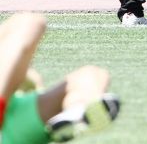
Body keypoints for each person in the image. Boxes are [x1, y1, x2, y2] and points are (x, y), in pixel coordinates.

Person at [0, 12, 120, 143]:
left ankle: (76, 112)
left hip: (16, 117)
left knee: (92, 74)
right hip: (16, 121)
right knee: (31, 22)